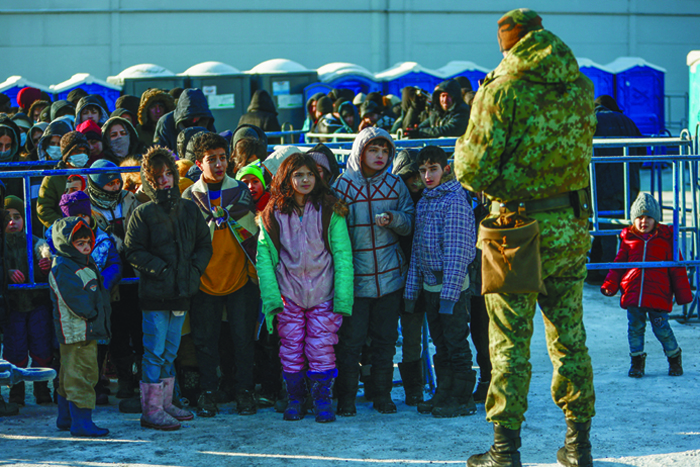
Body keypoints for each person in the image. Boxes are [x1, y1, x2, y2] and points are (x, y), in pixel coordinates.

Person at [454, 9, 597, 467]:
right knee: (570, 336)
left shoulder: (501, 90)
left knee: (509, 341)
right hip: (570, 224)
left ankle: (504, 450)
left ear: (507, 42)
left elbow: (471, 168)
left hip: (514, 231)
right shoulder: (578, 86)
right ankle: (578, 446)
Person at [257, 153, 353, 423]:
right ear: (286, 178)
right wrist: (272, 299)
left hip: (324, 292)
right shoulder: (273, 213)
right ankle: (296, 398)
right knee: (290, 348)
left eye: (310, 174)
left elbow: (343, 256)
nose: (306, 179)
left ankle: (322, 399)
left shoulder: (330, 210)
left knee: (322, 348)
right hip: (289, 294)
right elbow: (264, 260)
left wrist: (342, 298)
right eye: (298, 175)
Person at [125, 146, 212, 430]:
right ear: (149, 180)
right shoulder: (143, 213)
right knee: (154, 351)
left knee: (171, 351)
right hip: (155, 295)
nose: (164, 181)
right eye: (157, 176)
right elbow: (133, 251)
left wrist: (194, 271)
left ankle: (165, 404)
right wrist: (161, 269)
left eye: (167, 175)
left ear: (174, 175)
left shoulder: (189, 208)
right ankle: (151, 410)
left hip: (182, 293)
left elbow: (203, 244)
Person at [332, 127, 414, 416]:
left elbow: (409, 221)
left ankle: (382, 395)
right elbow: (331, 230)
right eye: (373, 150)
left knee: (385, 340)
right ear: (360, 151)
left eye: (384, 151)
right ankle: (347, 398)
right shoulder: (341, 185)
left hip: (390, 276)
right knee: (350, 343)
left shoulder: (395, 185)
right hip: (354, 279)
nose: (379, 156)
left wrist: (394, 219)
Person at [181, 133, 260, 418]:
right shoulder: (190, 198)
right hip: (204, 282)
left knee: (242, 341)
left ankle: (245, 392)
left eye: (222, 158)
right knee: (205, 343)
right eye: (210, 159)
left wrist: (254, 275)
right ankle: (208, 393)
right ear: (199, 163)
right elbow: (186, 243)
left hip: (239, 279)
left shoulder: (240, 192)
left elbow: (253, 235)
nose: (218, 164)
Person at [403, 146, 476, 418]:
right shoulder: (424, 201)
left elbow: (458, 251)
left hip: (452, 288)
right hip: (430, 286)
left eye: (432, 169)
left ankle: (462, 396)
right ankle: (444, 391)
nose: (427, 175)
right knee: (440, 342)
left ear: (446, 168)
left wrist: (450, 293)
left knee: (456, 342)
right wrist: (412, 291)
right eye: (422, 171)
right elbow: (418, 250)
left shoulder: (455, 200)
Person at [601, 193, 691, 378]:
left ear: (656, 220)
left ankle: (674, 357)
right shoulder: (628, 240)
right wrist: (610, 284)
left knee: (662, 329)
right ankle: (637, 363)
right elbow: (618, 265)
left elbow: (677, 269)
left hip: (658, 295)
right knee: (635, 329)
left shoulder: (666, 239)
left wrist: (683, 295)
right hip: (633, 294)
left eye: (649, 217)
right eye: (639, 217)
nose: (644, 221)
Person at [49, 216, 111, 437]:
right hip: (79, 330)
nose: (86, 247)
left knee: (69, 375)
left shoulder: (81, 262)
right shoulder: (64, 266)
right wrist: (93, 315)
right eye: (80, 243)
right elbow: (74, 297)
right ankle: (81, 423)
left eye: (88, 242)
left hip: (83, 329)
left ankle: (66, 418)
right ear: (66, 243)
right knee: (83, 375)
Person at [586, 94, 645, 285]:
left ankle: (605, 274)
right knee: (623, 226)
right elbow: (642, 152)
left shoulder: (591, 121)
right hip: (629, 185)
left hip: (600, 186)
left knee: (605, 229)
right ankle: (619, 269)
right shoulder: (627, 120)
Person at [2, 196, 53, 406]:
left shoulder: (35, 242)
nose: (12, 221)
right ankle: (17, 391)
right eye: (7, 217)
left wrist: (44, 269)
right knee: (15, 348)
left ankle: (42, 388)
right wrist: (7, 272)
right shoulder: (1, 245)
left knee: (41, 346)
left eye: (17, 216)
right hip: (12, 306)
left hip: (36, 303)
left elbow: (47, 262)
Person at [391, 149, 426, 406]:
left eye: (418, 176)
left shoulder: (429, 201)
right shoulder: (387, 202)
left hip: (417, 279)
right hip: (389, 277)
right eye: (408, 177)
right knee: (381, 337)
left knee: (413, 336)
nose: (414, 182)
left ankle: (414, 389)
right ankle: (375, 384)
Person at [37, 131, 91, 228]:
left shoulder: (92, 175)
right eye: (78, 151)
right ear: (67, 154)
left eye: (84, 151)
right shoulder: (52, 178)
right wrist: (64, 226)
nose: (82, 155)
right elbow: (44, 209)